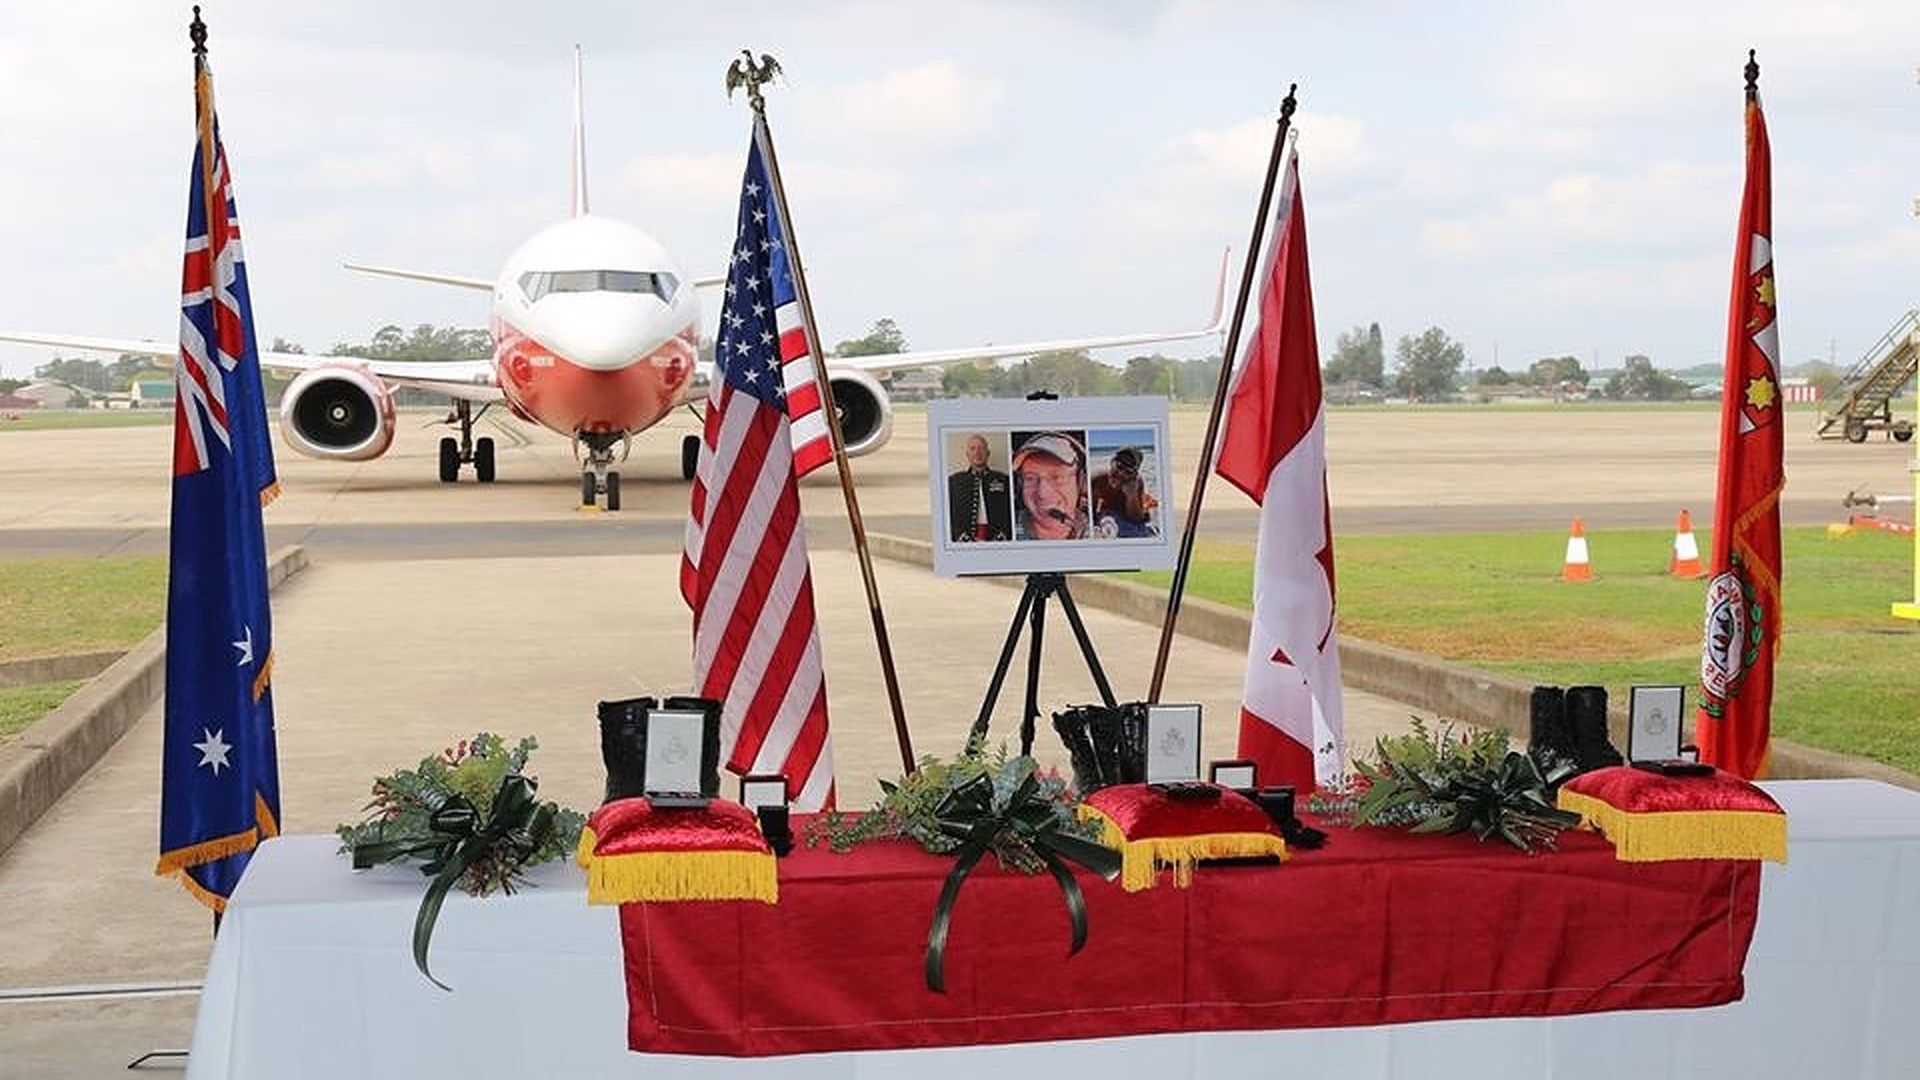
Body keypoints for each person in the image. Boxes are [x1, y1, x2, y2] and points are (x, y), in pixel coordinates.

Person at [1012, 431, 1089, 541]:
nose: (1043, 494)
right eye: (1030, 478)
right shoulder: (1009, 529)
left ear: (1081, 482)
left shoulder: (1102, 531)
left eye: (1058, 477)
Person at [947, 433, 1011, 542]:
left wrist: (1003, 536)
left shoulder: (1004, 480)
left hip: (998, 541)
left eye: (981, 448)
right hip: (964, 542)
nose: (977, 452)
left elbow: (1010, 512)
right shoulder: (954, 481)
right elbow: (950, 514)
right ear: (967, 454)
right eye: (973, 449)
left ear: (988, 453)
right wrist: (961, 537)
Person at [1090, 445, 1157, 538]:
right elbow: (1091, 513)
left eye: (1128, 471)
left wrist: (1132, 496)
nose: (1121, 473)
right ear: (1112, 462)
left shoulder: (1136, 483)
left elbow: (1136, 518)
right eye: (1119, 466)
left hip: (1126, 512)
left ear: (1134, 475)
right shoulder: (1097, 479)